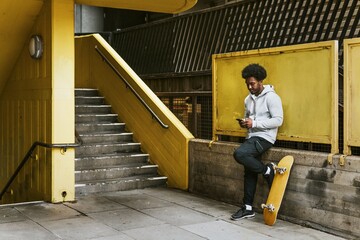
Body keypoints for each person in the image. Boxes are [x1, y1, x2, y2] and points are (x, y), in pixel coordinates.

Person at [231, 63, 283, 220]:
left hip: (265, 137)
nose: (249, 87)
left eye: (252, 83)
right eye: (247, 84)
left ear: (261, 81)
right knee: (249, 171)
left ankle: (267, 171)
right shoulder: (248, 99)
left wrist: (254, 124)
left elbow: (278, 120)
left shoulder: (272, 97)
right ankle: (247, 208)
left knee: (239, 154)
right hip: (252, 137)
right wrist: (246, 122)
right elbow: (251, 117)